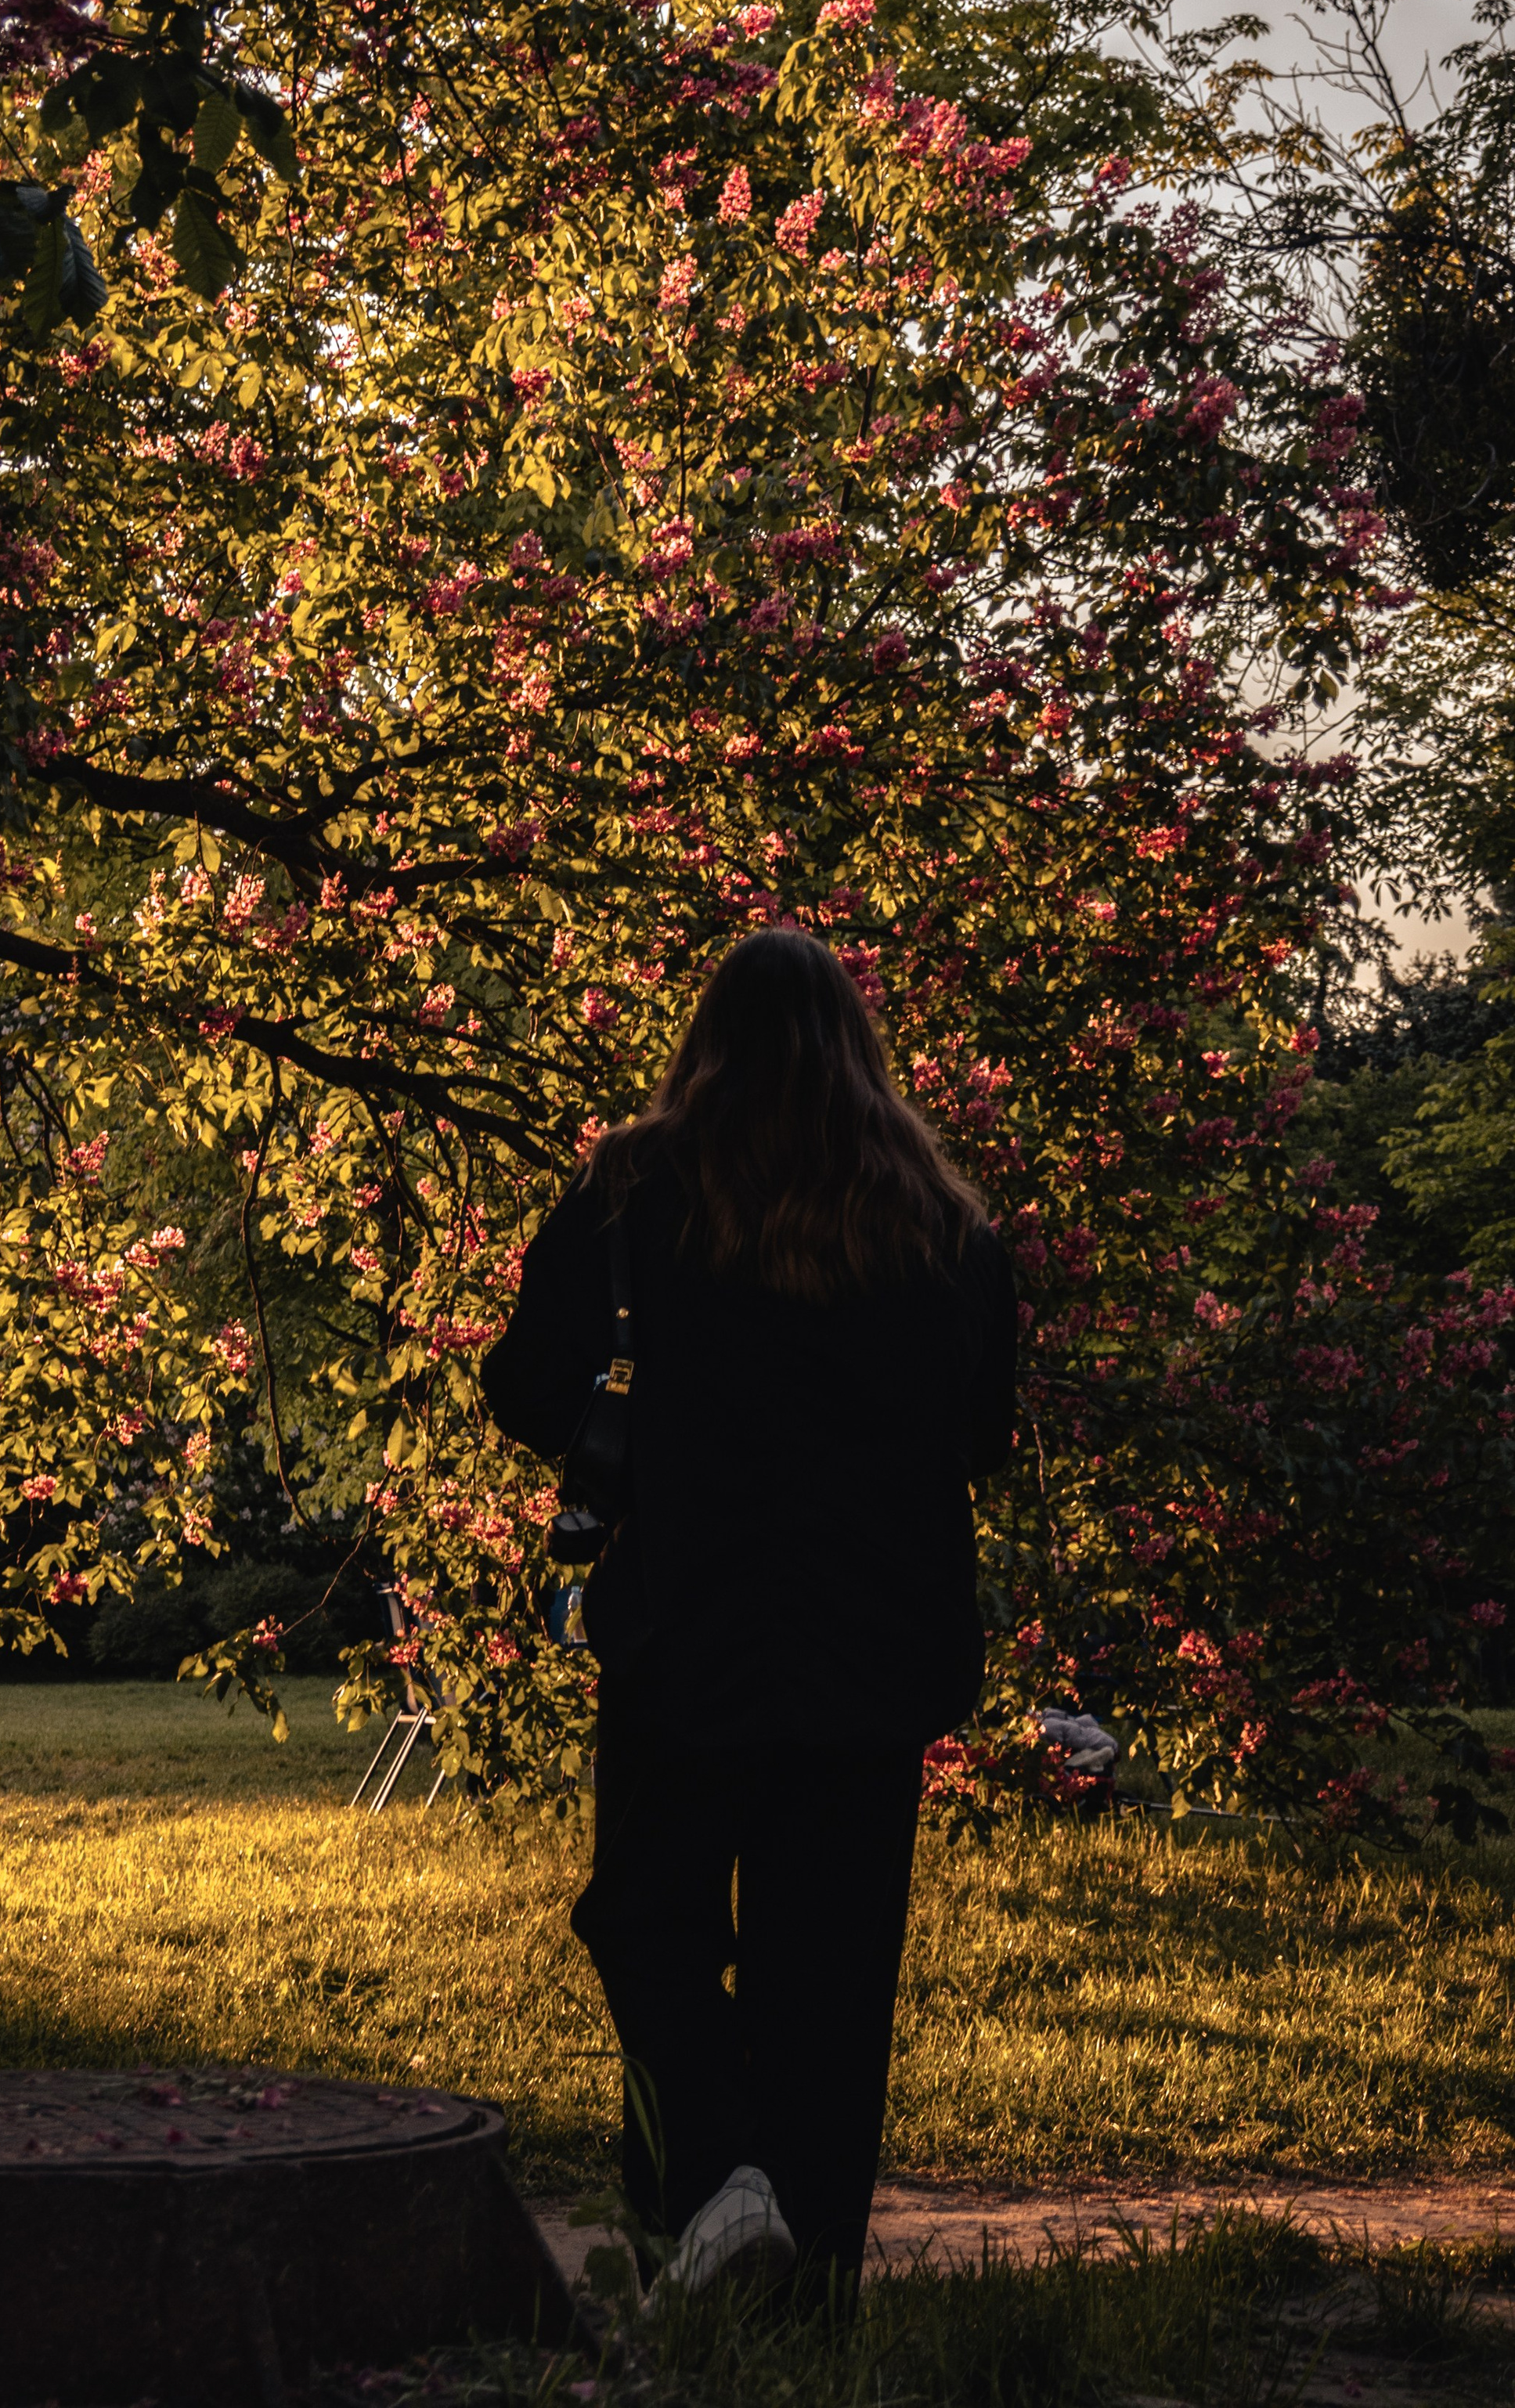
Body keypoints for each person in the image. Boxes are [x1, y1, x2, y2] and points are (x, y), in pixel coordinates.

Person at [481, 925, 1018, 2303]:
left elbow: (528, 1383)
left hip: (688, 1630)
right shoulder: (945, 1227)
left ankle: (712, 2192)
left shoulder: (633, 1190)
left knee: (649, 1921)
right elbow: (986, 1431)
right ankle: (810, 2275)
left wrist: (656, 1445)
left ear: (706, 1041)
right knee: (831, 1980)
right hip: (881, 1647)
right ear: (861, 1050)